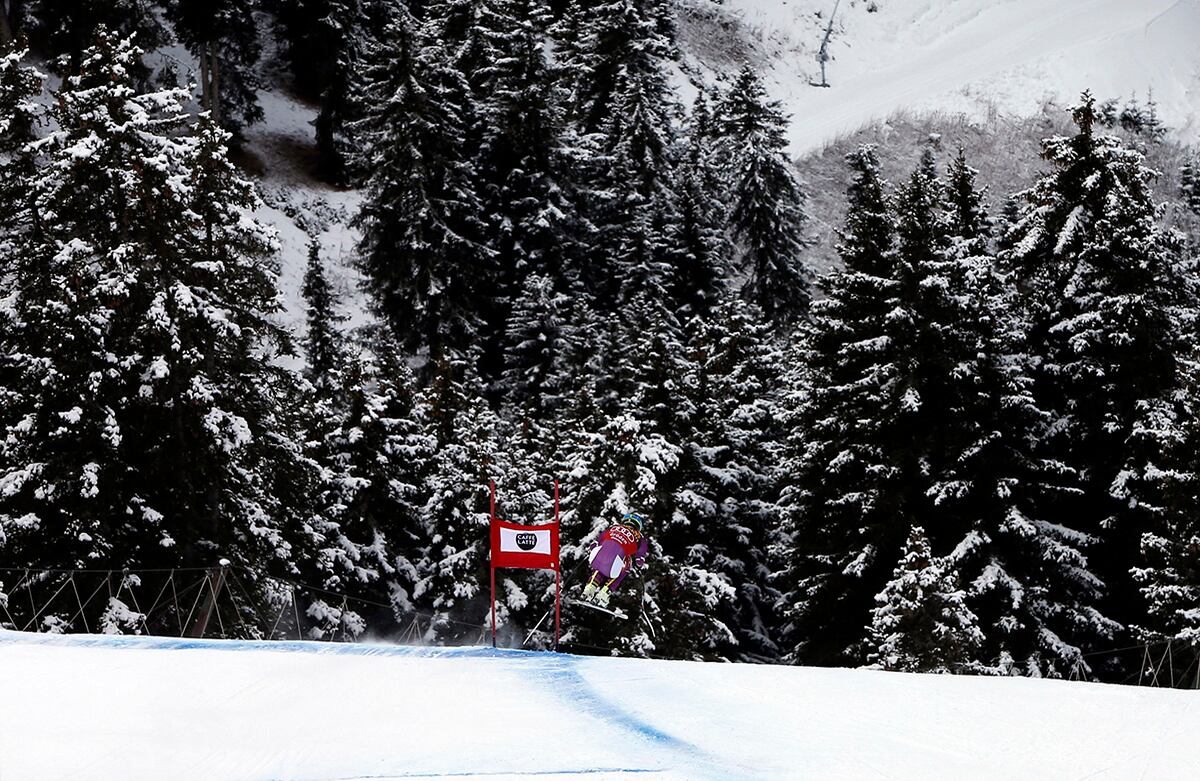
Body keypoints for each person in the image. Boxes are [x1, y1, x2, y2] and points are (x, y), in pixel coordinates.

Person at [582, 512, 648, 607]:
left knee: (603, 566)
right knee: (626, 562)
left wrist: (593, 546)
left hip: (597, 558)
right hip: (616, 564)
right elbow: (640, 557)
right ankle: (604, 594)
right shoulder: (640, 537)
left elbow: (598, 540)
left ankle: (589, 589)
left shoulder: (613, 527)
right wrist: (640, 562)